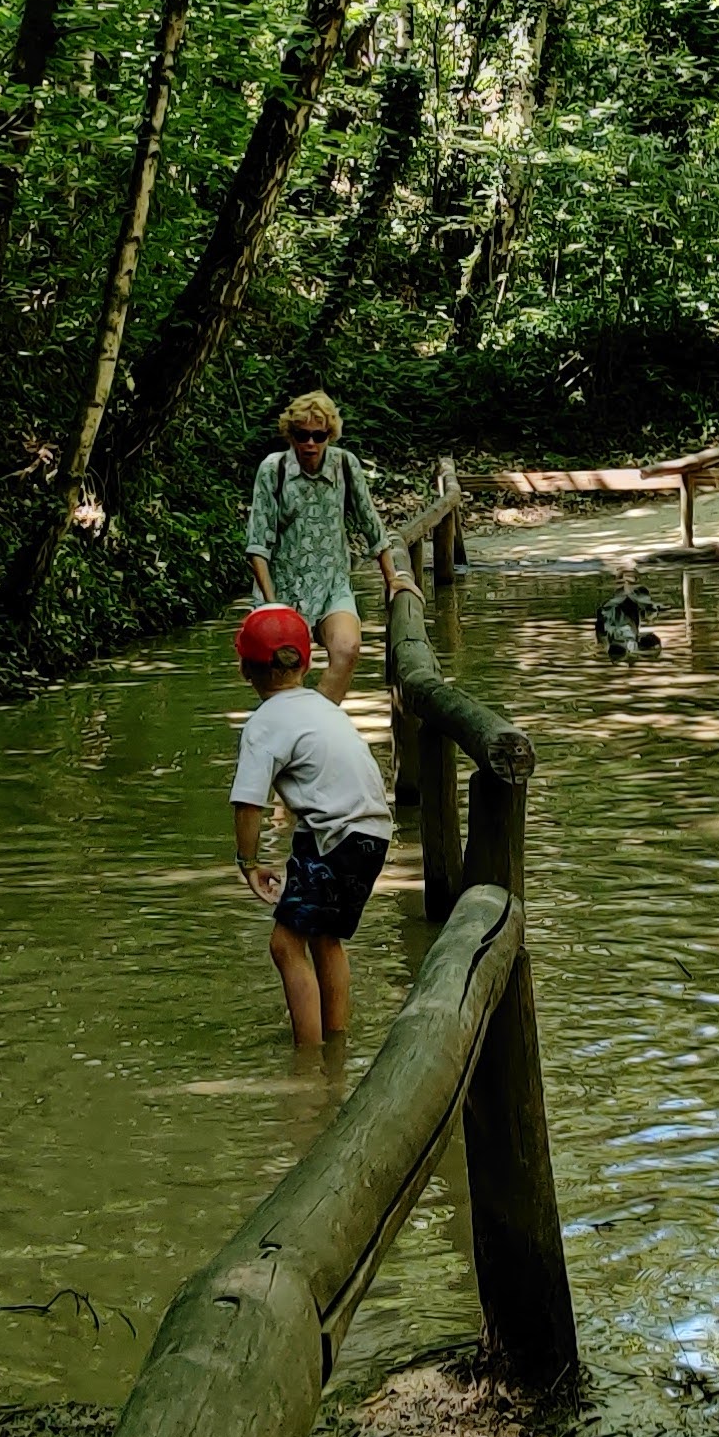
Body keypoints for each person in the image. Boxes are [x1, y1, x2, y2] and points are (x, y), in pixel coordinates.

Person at [229, 605, 392, 1046]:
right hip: (371, 833)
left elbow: (248, 804)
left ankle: (309, 1059)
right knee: (325, 937)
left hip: (334, 837)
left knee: (285, 945)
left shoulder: (263, 725)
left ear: (245, 668)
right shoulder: (323, 708)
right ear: (306, 661)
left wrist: (247, 862)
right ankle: (335, 1042)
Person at [243, 388, 402, 705]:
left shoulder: (345, 465)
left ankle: (317, 723)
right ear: (291, 435)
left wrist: (392, 579)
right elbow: (257, 546)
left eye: (319, 435)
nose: (310, 444)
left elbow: (371, 523)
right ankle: (290, 731)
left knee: (347, 649)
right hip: (283, 589)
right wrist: (273, 609)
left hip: (333, 584)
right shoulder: (273, 471)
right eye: (302, 435)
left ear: (331, 434)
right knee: (285, 675)